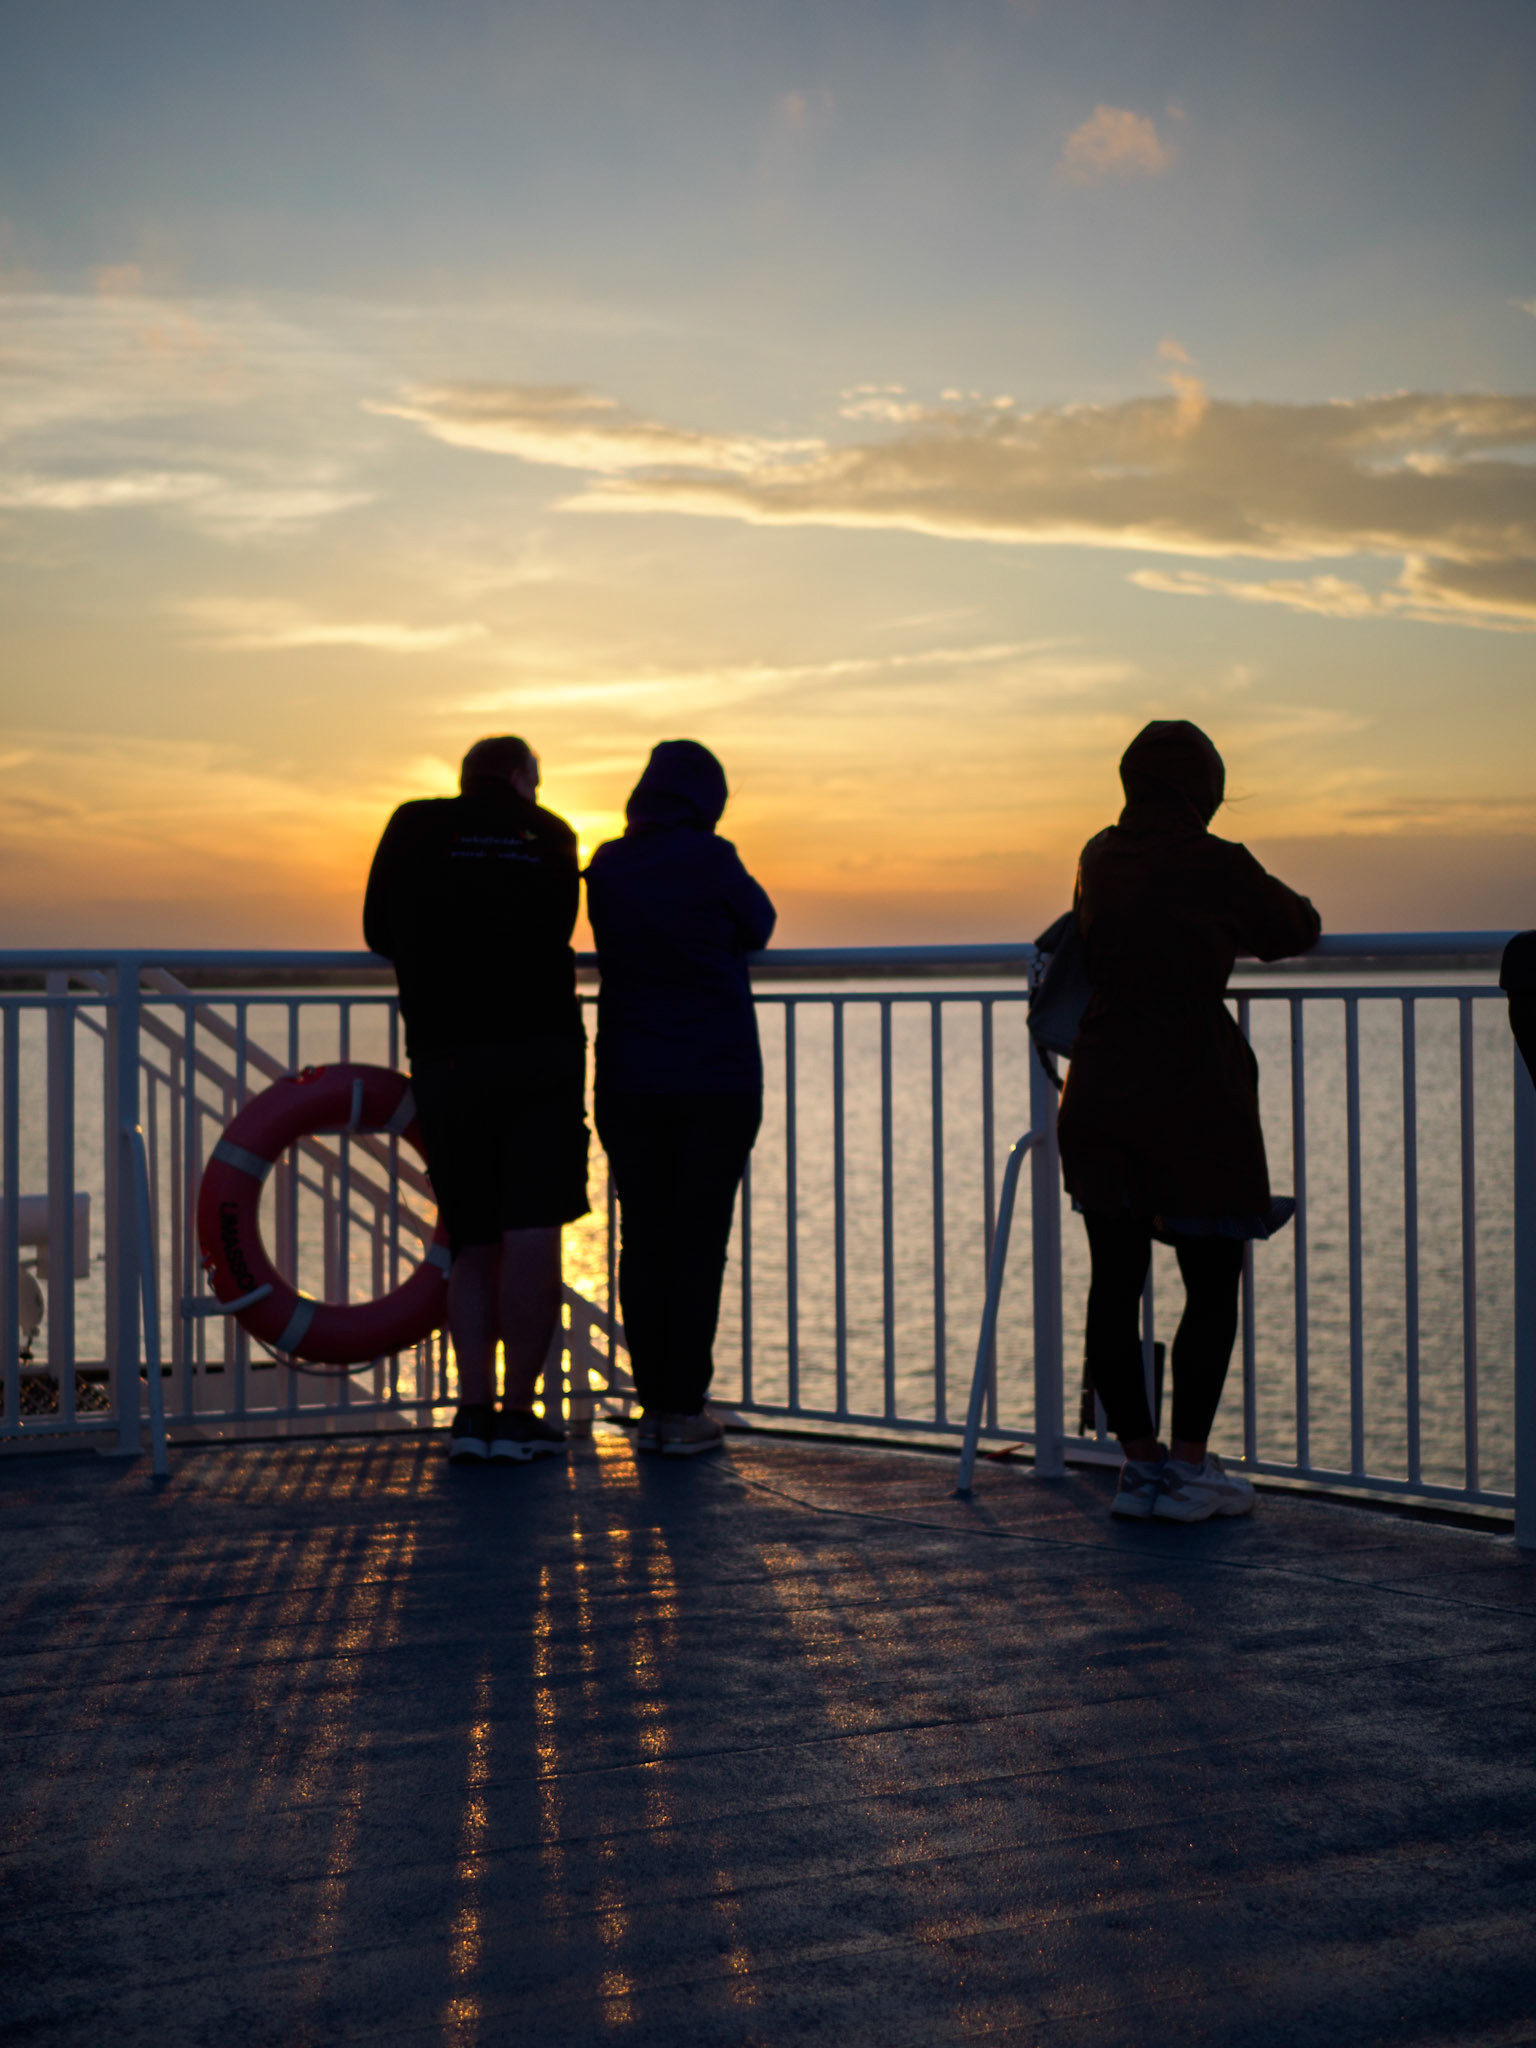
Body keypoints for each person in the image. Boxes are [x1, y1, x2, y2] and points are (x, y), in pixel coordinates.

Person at [1057, 720, 1321, 1523]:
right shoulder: (1217, 862)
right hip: (1191, 1090)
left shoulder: (1099, 856)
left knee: (1115, 1279)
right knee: (1210, 1279)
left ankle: (1138, 1471)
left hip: (1100, 1083)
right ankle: (1191, 1469)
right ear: (1204, 789)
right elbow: (1292, 927)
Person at [363, 736, 589, 1464]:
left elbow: (377, 930)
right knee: (532, 1232)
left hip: (448, 1052)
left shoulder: (415, 824)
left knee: (470, 1237)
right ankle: (520, 1417)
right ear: (525, 779)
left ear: (465, 777)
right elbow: (557, 926)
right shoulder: (553, 833)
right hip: (541, 1049)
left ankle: (471, 1416)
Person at [585, 741, 776, 1455]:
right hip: (715, 1081)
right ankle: (683, 1408)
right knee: (698, 1245)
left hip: (630, 1077)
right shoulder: (713, 859)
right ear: (708, 799)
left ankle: (653, 1405)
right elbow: (759, 924)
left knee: (645, 1242)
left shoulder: (605, 864)